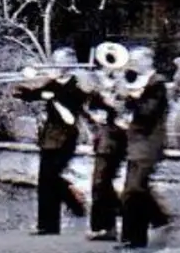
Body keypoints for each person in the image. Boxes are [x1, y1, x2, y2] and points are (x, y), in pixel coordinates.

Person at [13, 47, 91, 236]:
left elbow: (70, 116)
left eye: (58, 62)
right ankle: (47, 226)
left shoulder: (77, 86)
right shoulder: (52, 84)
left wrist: (53, 97)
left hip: (66, 137)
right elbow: (29, 95)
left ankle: (74, 204)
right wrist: (22, 82)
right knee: (44, 181)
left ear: (68, 64)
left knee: (52, 178)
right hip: (48, 138)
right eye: (54, 61)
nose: (54, 65)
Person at [117, 47, 172, 249]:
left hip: (149, 142)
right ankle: (135, 235)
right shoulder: (138, 81)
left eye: (135, 60)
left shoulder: (157, 83)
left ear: (147, 61)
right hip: (136, 141)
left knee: (134, 189)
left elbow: (149, 111)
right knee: (133, 189)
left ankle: (137, 237)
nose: (131, 64)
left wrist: (131, 98)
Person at [83, 77, 127, 242]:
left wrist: (111, 100)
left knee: (100, 183)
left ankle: (105, 226)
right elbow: (89, 109)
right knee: (102, 185)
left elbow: (124, 113)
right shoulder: (101, 91)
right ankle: (107, 226)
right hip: (104, 141)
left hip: (114, 142)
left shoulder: (126, 86)